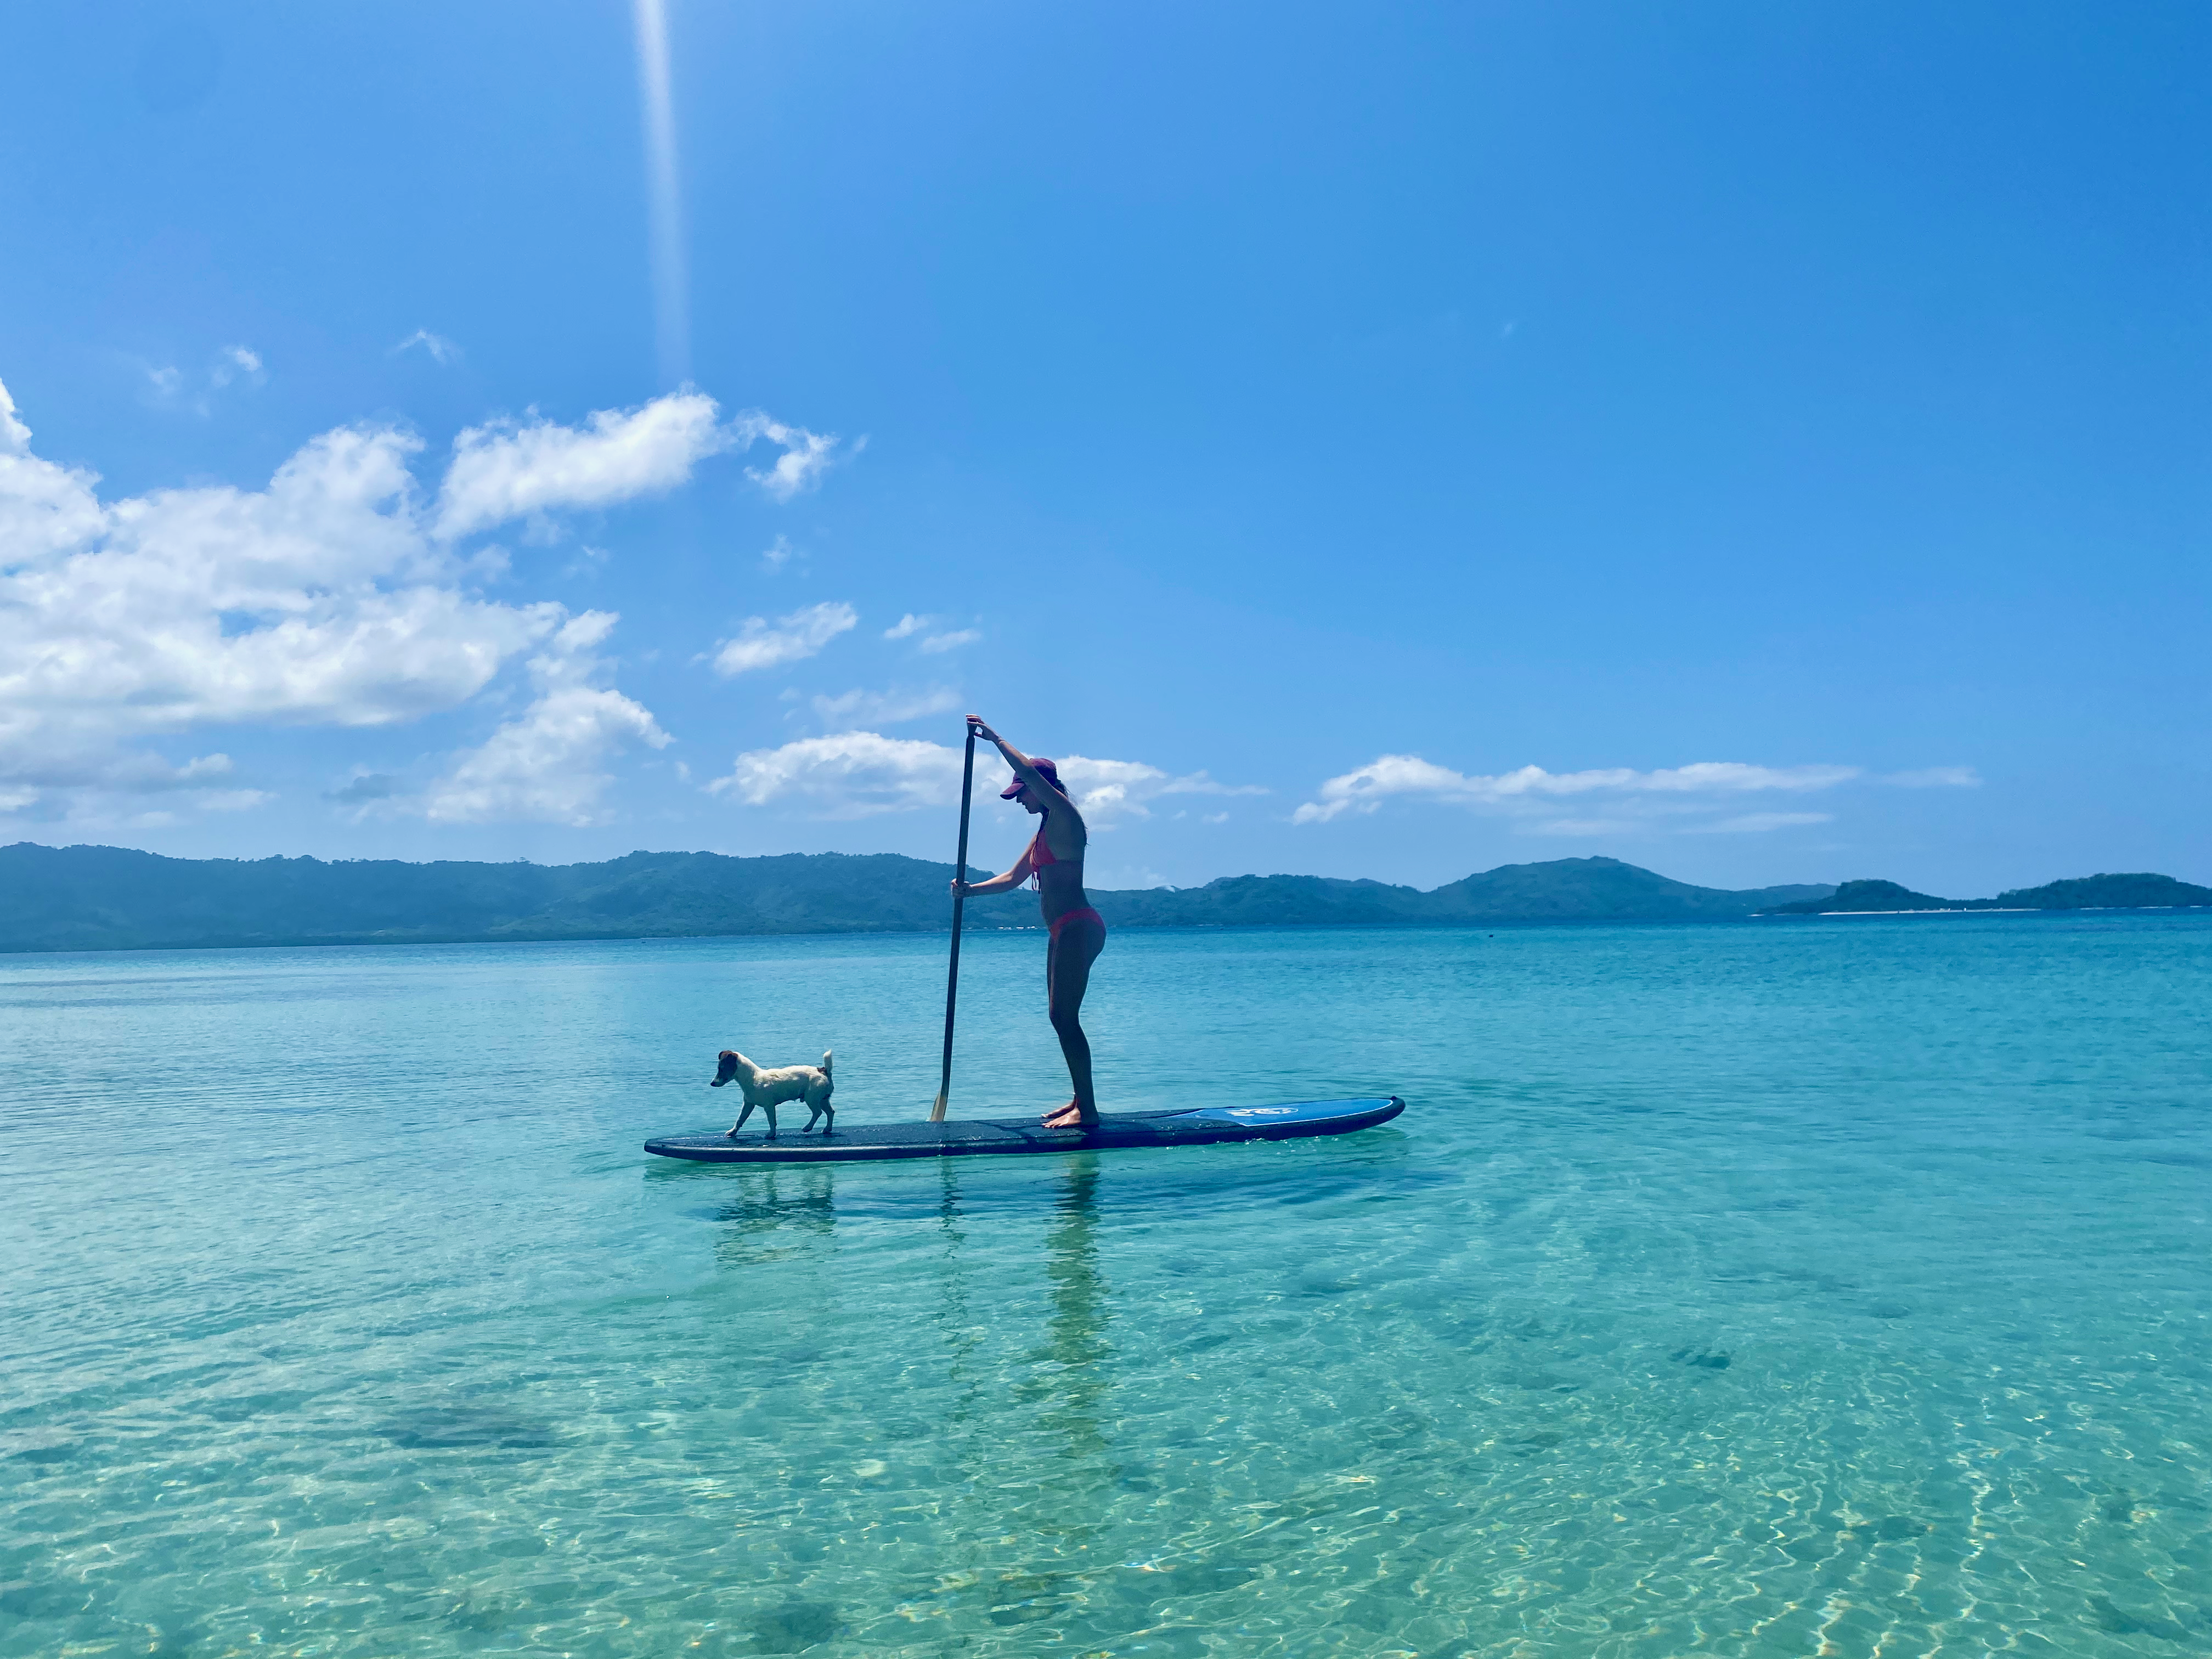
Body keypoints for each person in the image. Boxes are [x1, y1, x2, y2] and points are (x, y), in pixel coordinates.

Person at [952, 718, 1107, 1129]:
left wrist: (993, 738)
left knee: (1063, 1016)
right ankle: (1079, 1100)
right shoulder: (1042, 833)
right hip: (1061, 931)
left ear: (1044, 789)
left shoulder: (1065, 817)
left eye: (1023, 793)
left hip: (1079, 925)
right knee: (1059, 1016)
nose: (1020, 801)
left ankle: (1087, 1111)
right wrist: (970, 891)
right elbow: (1012, 879)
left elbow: (1027, 774)